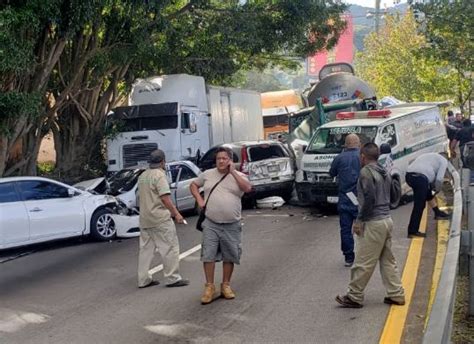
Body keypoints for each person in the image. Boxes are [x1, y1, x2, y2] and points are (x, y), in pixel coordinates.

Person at [335, 143, 405, 308]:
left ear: (363, 156)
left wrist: (359, 220)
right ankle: (396, 294)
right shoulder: (384, 171)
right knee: (388, 261)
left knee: (362, 261)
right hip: (386, 219)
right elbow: (396, 194)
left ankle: (354, 296)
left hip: (373, 222)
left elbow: (369, 199)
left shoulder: (366, 172)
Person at [190, 147, 252, 305]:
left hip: (232, 223)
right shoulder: (208, 174)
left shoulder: (239, 176)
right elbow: (193, 185)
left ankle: (226, 285)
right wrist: (199, 200)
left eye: (225, 158)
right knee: (208, 254)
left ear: (230, 160)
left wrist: (233, 172)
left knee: (230, 255)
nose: (221, 161)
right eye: (219, 159)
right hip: (211, 222)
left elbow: (247, 188)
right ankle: (209, 286)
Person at [137, 149, 189, 288]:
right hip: (160, 218)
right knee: (169, 247)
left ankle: (143, 279)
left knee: (146, 250)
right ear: (162, 162)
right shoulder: (160, 176)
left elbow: (138, 198)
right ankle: (172, 278)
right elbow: (165, 198)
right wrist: (176, 214)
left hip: (145, 219)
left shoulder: (143, 176)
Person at [329, 134, 361, 267]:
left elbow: (332, 173)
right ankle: (367, 255)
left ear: (346, 145)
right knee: (366, 228)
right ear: (358, 143)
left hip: (345, 197)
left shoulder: (339, 158)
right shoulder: (362, 157)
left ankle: (349, 257)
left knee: (346, 229)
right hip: (360, 198)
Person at [405, 153, 450, 238]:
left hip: (409, 175)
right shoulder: (444, 161)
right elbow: (439, 180)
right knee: (420, 205)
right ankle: (412, 231)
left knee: (428, 194)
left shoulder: (431, 156)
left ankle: (437, 213)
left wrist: (432, 190)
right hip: (421, 178)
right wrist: (437, 190)